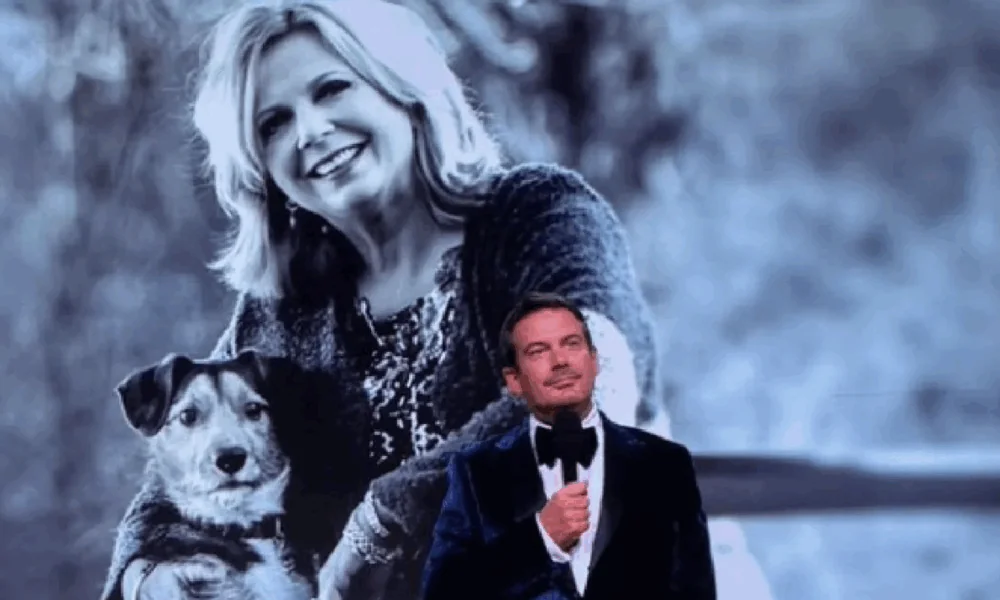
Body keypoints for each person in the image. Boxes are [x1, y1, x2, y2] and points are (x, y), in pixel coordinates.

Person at [100, 2, 670, 600]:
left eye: (331, 89)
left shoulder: (537, 215)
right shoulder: (286, 309)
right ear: (261, 169)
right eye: (273, 124)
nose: (310, 131)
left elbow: (592, 387)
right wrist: (144, 573)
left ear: (403, 88)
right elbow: (175, 462)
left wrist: (383, 519)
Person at [422, 293, 717, 600]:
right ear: (514, 380)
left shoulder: (665, 464)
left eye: (571, 344)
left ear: (594, 361)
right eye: (538, 351)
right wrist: (540, 538)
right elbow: (442, 594)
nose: (560, 361)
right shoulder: (476, 472)